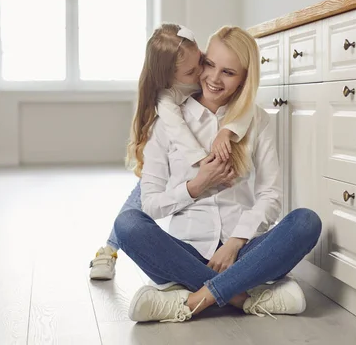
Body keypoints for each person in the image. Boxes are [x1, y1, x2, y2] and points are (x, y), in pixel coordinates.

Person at [112, 26, 322, 323]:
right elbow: (151, 205)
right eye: (209, 64)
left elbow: (270, 195)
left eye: (228, 72)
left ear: (243, 79)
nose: (213, 78)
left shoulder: (256, 120)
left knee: (306, 222)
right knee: (127, 224)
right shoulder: (169, 122)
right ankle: (243, 298)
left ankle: (191, 300)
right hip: (185, 252)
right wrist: (196, 186)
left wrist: (236, 243)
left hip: (245, 252)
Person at [89, 23, 254, 280]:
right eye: (192, 71)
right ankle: (109, 249)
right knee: (141, 197)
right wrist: (202, 164)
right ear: (171, 78)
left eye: (202, 60)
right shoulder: (168, 98)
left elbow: (246, 105)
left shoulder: (209, 75)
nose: (203, 72)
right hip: (183, 152)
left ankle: (205, 286)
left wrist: (226, 131)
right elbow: (178, 131)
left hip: (222, 202)